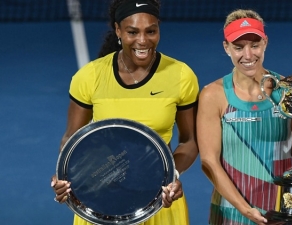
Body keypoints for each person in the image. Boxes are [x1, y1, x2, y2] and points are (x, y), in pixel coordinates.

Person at [50, 0, 199, 224]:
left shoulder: (181, 76)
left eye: (151, 31)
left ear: (158, 27)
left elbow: (190, 141)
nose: (143, 40)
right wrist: (66, 178)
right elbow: (72, 139)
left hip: (159, 200)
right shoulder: (90, 77)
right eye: (132, 32)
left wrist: (171, 176)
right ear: (118, 30)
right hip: (102, 199)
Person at [196, 9, 292, 225]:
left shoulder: (287, 91)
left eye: (255, 45)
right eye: (238, 47)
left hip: (283, 209)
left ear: (265, 43)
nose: (248, 55)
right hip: (230, 213)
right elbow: (209, 162)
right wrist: (245, 209)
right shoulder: (212, 95)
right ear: (226, 48)